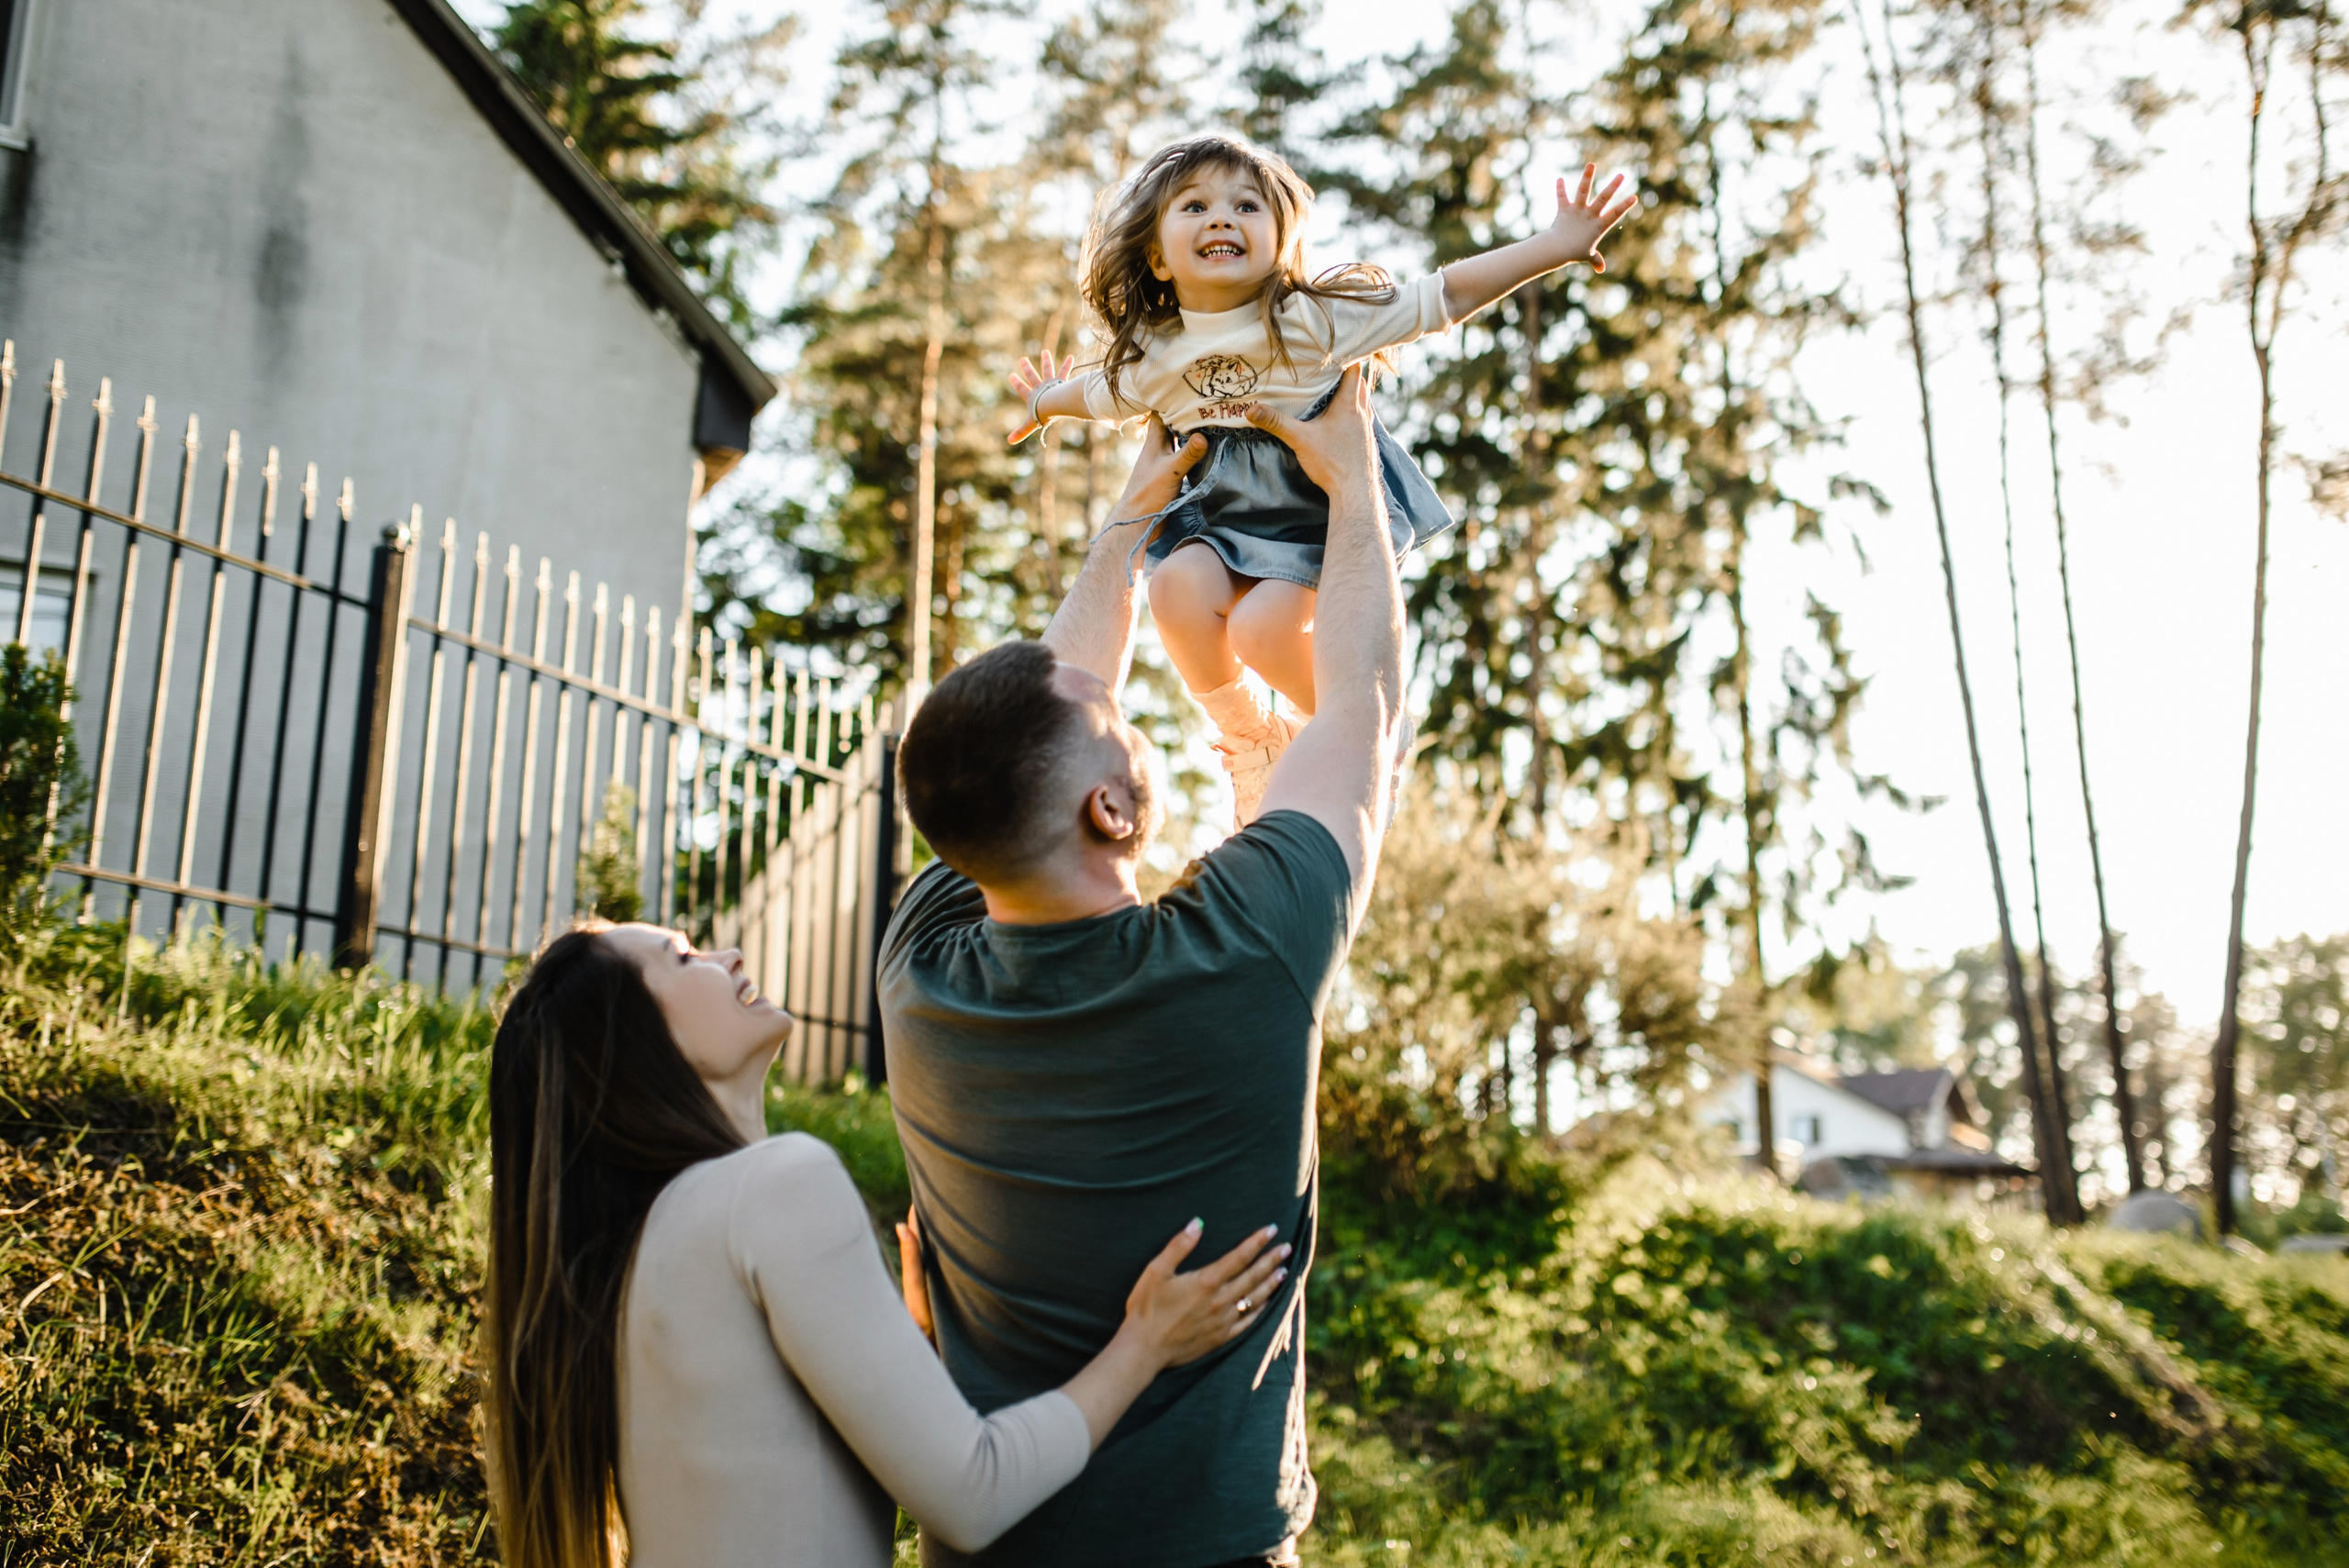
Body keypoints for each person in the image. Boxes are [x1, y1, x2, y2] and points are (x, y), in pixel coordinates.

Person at [881, 365, 1404, 1568]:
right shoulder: (1243, 946)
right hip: (1207, 1549)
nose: (1127, 705)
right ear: (1114, 811)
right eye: (1119, 721)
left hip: (996, 1538)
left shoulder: (921, 972)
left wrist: (1133, 518)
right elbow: (1360, 701)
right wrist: (1353, 462)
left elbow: (1034, 719)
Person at [481, 919, 1289, 1568]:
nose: (724, 951)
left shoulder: (633, 1252)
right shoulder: (773, 1183)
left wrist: (908, 1347)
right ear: (632, 1043)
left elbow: (770, 1485)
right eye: (681, 955)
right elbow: (973, 1494)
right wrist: (1145, 1343)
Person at [1008, 132, 1636, 823]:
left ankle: (1371, 731)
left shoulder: (1310, 321)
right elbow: (1095, 395)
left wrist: (1555, 244)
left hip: (1313, 514)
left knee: (1259, 630)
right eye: (1195, 206)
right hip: (1220, 519)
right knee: (1174, 588)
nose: (1222, 217)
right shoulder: (1154, 356)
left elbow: (1444, 295)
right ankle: (1251, 741)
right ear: (1157, 256)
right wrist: (1043, 403)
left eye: (1247, 205)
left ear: (1281, 240)